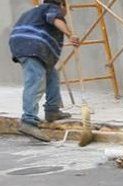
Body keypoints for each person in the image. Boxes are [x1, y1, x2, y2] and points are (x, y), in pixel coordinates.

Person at [8, 0, 80, 142]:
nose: (66, 13)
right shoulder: (51, 8)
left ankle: (52, 111)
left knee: (52, 75)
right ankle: (29, 121)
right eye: (66, 9)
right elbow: (54, 18)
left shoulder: (33, 12)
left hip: (27, 45)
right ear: (61, 5)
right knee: (36, 80)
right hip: (32, 45)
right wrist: (70, 34)